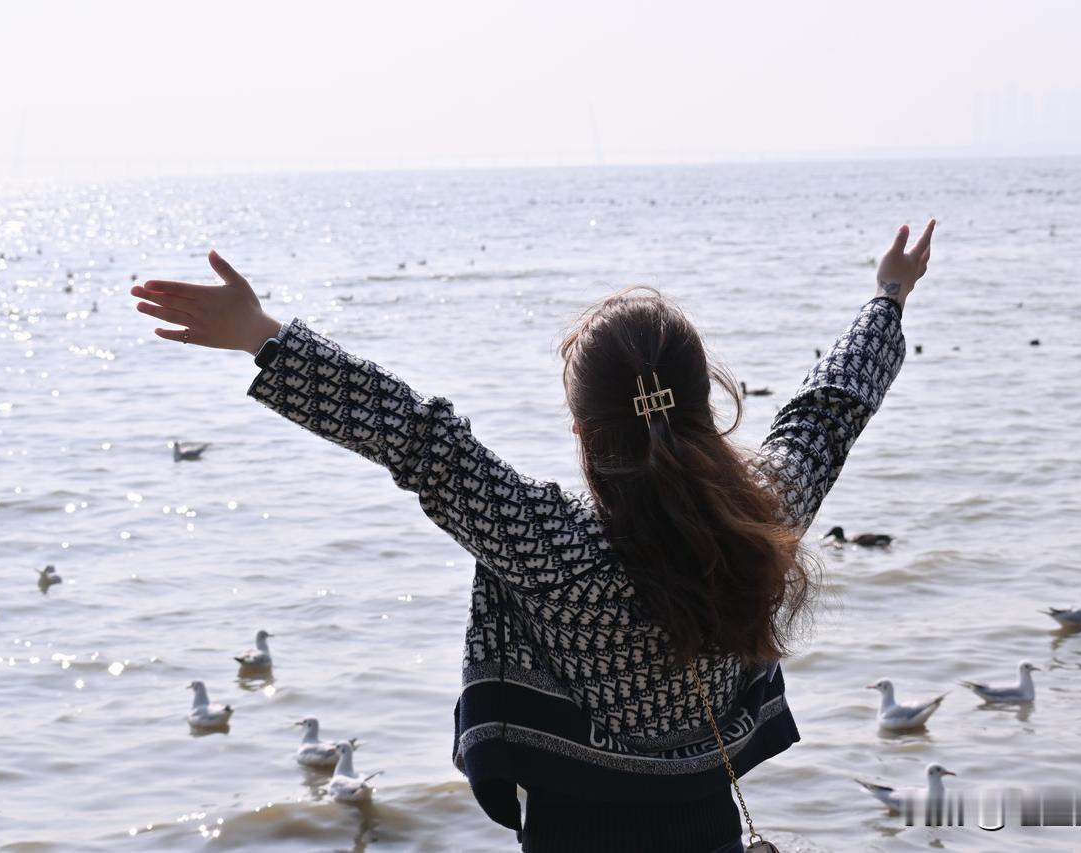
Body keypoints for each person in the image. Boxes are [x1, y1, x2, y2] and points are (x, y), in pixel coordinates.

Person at [129, 219, 935, 853]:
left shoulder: (549, 546)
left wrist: (261, 334)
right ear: (703, 403)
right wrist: (889, 296)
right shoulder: (759, 515)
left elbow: (420, 440)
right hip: (710, 830)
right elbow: (829, 411)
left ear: (583, 430)